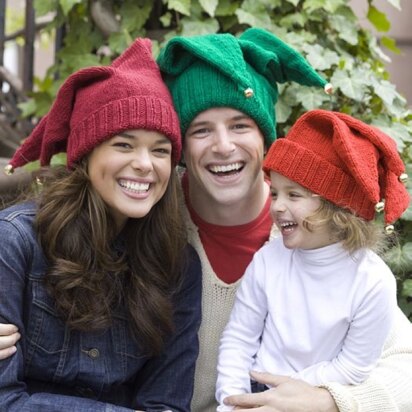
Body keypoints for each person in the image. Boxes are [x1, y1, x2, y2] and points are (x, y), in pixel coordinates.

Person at [3, 27, 412, 412]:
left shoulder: (310, 231)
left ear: (266, 139)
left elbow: (403, 366)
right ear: (181, 147)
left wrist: (329, 402)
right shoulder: (144, 221)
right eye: (200, 130)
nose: (223, 146)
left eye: (240, 126)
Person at [0, 37, 201, 411]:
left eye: (160, 150)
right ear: (86, 154)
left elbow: (166, 402)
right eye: (124, 145)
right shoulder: (15, 243)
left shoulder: (178, 266)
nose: (146, 164)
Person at [215, 109, 410, 410]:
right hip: (256, 389)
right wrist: (231, 400)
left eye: (294, 196)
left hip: (317, 394)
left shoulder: (371, 281)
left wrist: (289, 394)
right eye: (276, 193)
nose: (278, 206)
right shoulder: (270, 259)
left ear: (338, 209)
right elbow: (240, 336)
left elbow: (353, 368)